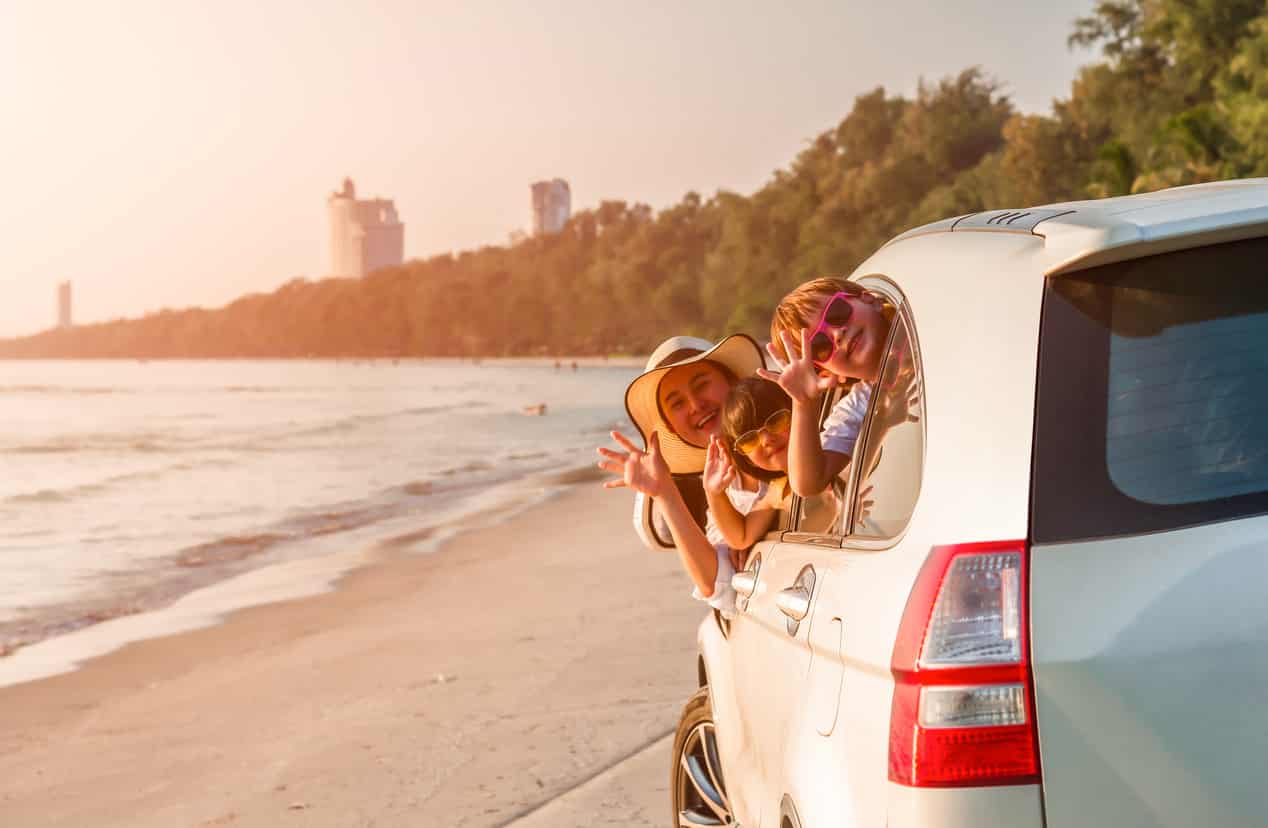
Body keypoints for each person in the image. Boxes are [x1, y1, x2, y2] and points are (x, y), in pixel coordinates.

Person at [596, 335, 764, 615]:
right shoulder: (725, 486)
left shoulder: (786, 441)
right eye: (677, 404)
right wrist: (665, 493)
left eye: (702, 385)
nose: (695, 405)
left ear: (735, 383)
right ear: (673, 430)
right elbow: (720, 587)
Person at [759, 276, 916, 498]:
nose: (837, 334)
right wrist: (804, 403)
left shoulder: (924, 323)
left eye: (837, 314)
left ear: (870, 300)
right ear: (825, 373)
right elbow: (808, 484)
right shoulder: (860, 406)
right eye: (820, 347)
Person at [702, 377, 792, 560]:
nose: (767, 440)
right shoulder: (779, 489)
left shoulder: (829, 452)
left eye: (776, 421)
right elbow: (741, 536)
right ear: (747, 460)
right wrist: (713, 492)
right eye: (750, 440)